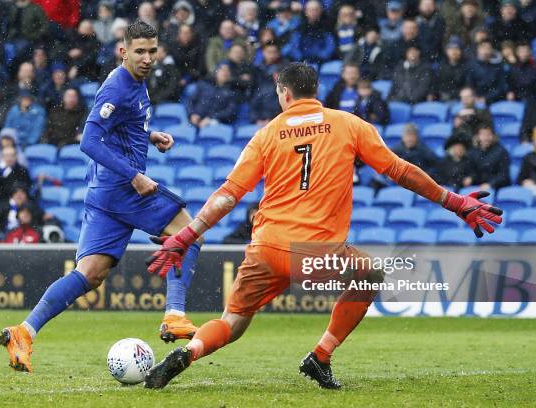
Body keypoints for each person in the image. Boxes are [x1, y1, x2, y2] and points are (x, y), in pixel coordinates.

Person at [143, 62, 503, 389]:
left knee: (233, 320)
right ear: (314, 90)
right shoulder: (348, 124)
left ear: (284, 93)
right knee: (370, 275)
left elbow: (229, 194)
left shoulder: (267, 134)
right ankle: (321, 355)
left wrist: (188, 234)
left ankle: (190, 352)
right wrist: (454, 202)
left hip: (266, 248)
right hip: (315, 252)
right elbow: (400, 171)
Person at [0, 21, 204, 373]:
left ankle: (23, 332)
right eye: (140, 51)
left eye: (152, 51)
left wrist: (148, 136)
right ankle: (175, 314)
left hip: (105, 192)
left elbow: (122, 125)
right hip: (121, 188)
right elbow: (88, 141)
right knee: (192, 231)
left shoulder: (135, 83)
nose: (148, 58)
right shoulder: (118, 86)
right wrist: (133, 175)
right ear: (124, 51)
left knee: (90, 274)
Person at [468, 126, 511, 190]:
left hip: (497, 187)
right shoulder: (473, 152)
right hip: (478, 186)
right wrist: (471, 178)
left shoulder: (501, 152)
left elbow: (503, 175)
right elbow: (472, 171)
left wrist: (490, 184)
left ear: (493, 136)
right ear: (478, 136)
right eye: (483, 134)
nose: (486, 138)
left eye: (488, 134)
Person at [517, 127, 536, 194]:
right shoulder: (528, 157)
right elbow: (520, 178)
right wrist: (524, 181)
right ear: (534, 140)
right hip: (531, 189)